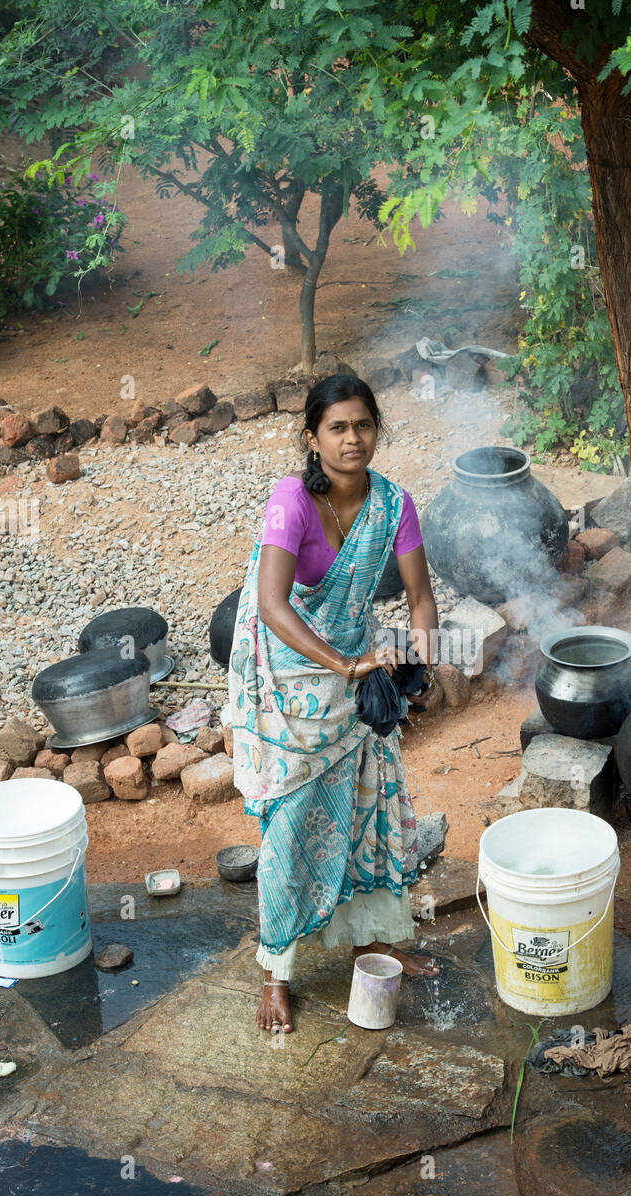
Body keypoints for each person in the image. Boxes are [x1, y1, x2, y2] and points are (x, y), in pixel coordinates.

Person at [229, 374, 442, 1035]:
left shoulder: (392, 503)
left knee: (363, 806)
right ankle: (276, 973)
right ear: (312, 439)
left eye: (364, 425)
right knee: (291, 829)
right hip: (285, 677)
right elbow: (270, 605)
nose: (353, 439)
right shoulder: (290, 499)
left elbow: (421, 595)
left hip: (355, 666)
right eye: (338, 428)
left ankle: (371, 936)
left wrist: (419, 648)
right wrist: (347, 665)